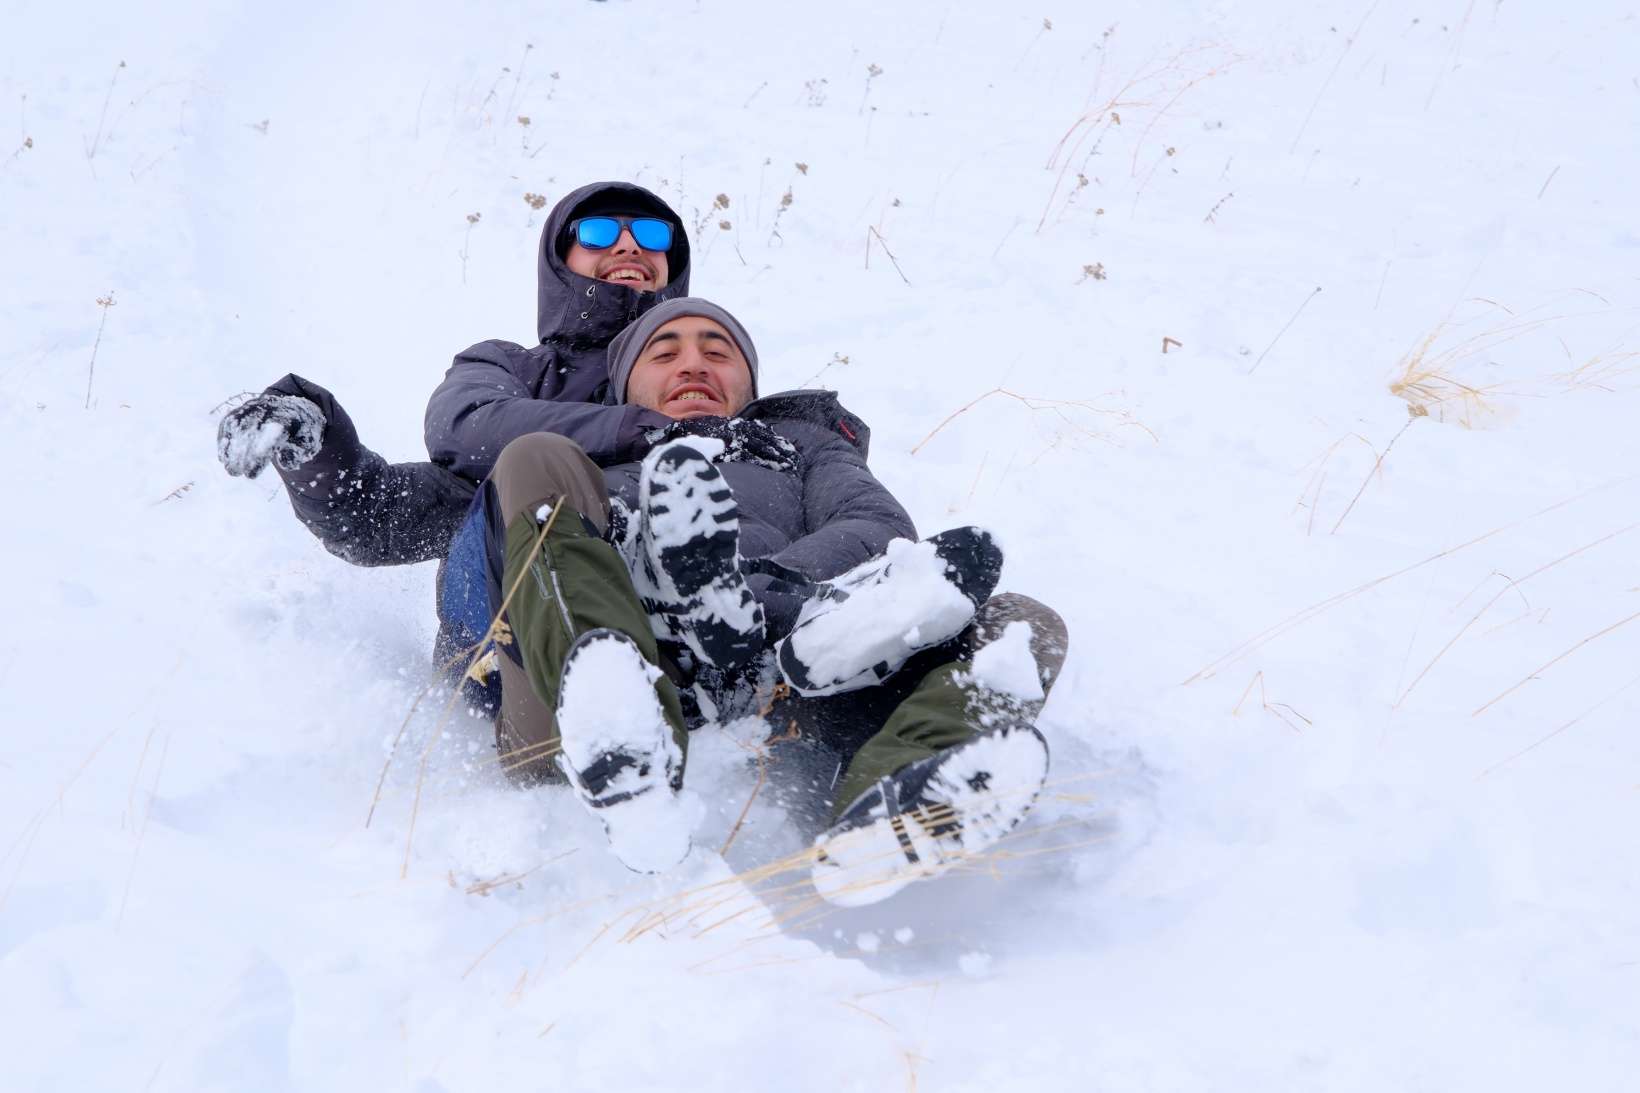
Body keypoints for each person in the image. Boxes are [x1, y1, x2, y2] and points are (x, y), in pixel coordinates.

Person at [479, 297, 1068, 906]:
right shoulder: (588, 462)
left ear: (749, 383)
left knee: (1023, 629)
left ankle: (889, 809)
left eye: (717, 351)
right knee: (532, 457)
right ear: (625, 384)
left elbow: (874, 526)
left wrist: (745, 605)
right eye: (665, 352)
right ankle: (623, 733)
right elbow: (414, 503)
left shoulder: (800, 448)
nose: (693, 366)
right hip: (580, 704)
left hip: (787, 680)